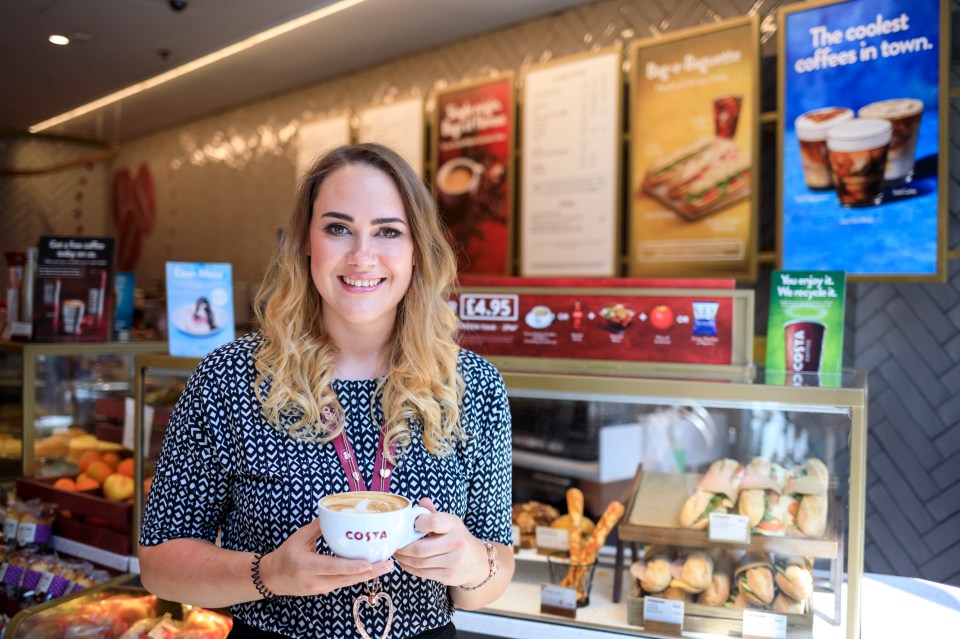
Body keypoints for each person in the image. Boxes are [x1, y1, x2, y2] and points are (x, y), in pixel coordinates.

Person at [139, 143, 514, 639]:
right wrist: (270, 574)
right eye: (338, 229)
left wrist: (470, 564)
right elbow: (160, 562)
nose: (362, 256)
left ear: (417, 249)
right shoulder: (229, 378)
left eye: (388, 231)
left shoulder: (473, 386)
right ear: (306, 243)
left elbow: (493, 574)